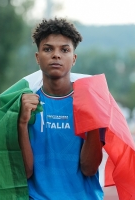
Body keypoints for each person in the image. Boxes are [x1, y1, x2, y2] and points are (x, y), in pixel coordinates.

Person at [18, 18, 105, 200]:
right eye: (48, 49)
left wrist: (94, 122)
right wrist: (22, 123)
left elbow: (89, 169)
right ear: (37, 57)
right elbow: (25, 172)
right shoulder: (25, 104)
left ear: (73, 59)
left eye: (64, 50)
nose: (56, 55)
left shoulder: (91, 102)